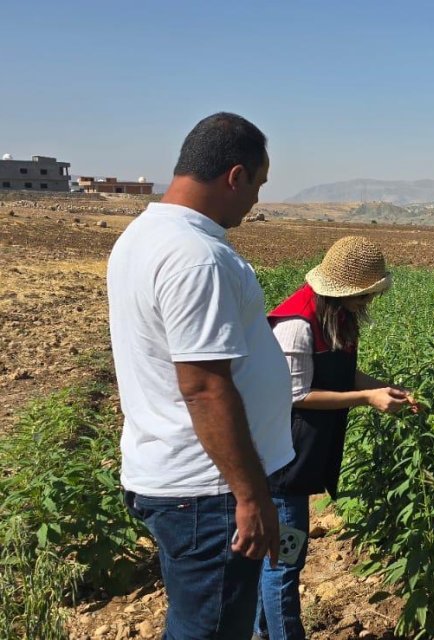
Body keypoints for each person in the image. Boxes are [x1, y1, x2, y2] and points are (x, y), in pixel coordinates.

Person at [107, 112, 293, 638]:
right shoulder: (195, 256)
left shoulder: (143, 237)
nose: (256, 199)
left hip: (189, 486)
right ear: (235, 176)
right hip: (208, 493)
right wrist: (251, 497)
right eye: (257, 183)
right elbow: (205, 386)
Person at [255, 236, 417, 639]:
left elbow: (338, 374)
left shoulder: (335, 318)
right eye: (365, 295)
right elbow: (298, 394)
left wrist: (385, 387)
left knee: (275, 558)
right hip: (280, 467)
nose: (369, 303)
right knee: (283, 564)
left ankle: (257, 632)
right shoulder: (296, 325)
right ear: (347, 291)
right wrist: (366, 398)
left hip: (299, 458)